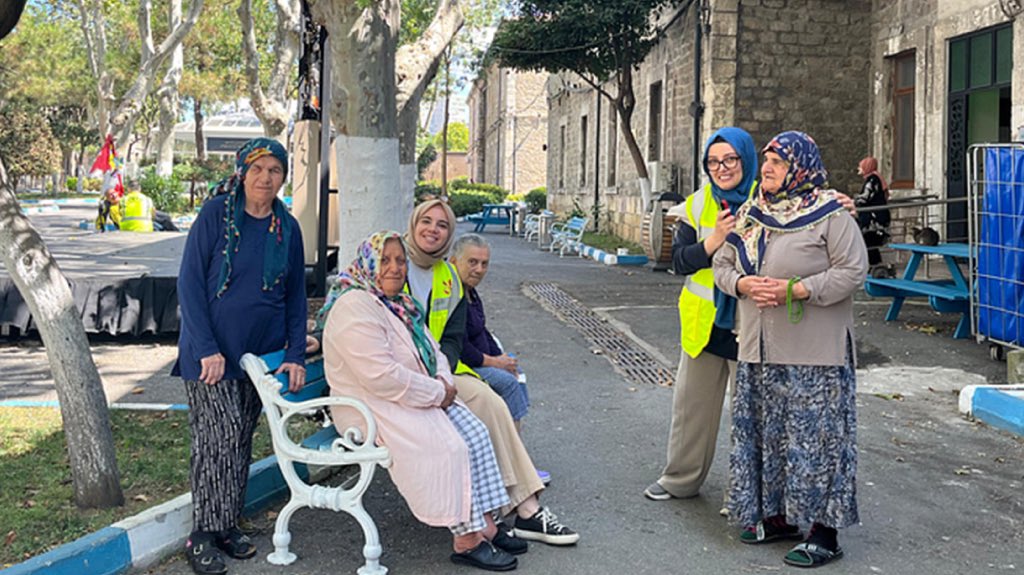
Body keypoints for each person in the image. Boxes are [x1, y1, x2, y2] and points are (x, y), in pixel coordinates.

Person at [713, 131, 867, 568]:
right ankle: (778, 516)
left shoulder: (830, 214)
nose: (768, 170)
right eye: (767, 162)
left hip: (815, 352)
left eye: (778, 163)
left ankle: (824, 531)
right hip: (760, 348)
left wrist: (796, 290)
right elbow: (722, 265)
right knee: (769, 435)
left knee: (817, 440)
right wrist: (741, 283)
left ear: (800, 167)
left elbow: (853, 271)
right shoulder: (752, 213)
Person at [321, 231, 520, 571]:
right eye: (385, 260)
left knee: (474, 432)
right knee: (450, 446)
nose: (396, 268)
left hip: (409, 396)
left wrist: (443, 380)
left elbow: (434, 350)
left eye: (400, 261)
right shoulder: (354, 306)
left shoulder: (399, 304)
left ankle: (485, 519)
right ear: (368, 263)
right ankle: (467, 537)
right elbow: (381, 377)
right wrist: (437, 393)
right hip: (369, 407)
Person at [402, 198, 578, 546]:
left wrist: (441, 369)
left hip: (442, 373)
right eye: (427, 221)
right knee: (490, 397)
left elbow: (453, 336)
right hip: (402, 377)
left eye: (442, 225)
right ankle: (506, 510)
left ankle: (527, 510)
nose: (433, 230)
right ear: (413, 223)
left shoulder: (446, 275)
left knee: (492, 402)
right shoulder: (393, 261)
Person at [173, 138, 307, 575]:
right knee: (218, 438)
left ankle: (226, 523)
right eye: (258, 169)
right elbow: (190, 284)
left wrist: (293, 355)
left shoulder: (287, 228)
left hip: (260, 357)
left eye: (274, 170)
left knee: (240, 439)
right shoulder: (216, 215)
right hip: (210, 353)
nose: (266, 178)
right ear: (242, 173)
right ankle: (203, 535)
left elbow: (295, 298)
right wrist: (207, 349)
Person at [644, 127, 757, 503]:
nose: (722, 168)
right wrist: (712, 242)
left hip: (751, 325)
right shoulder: (696, 203)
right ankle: (680, 479)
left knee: (751, 417)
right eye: (713, 161)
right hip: (705, 325)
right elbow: (678, 262)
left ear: (745, 159)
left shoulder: (768, 199)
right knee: (692, 409)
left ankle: (743, 494)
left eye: (730, 159)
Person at [449, 233, 530, 428]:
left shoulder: (470, 291)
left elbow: (482, 330)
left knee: (515, 370)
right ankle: (513, 448)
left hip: (482, 359)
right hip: (464, 366)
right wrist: (495, 362)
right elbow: (462, 347)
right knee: (509, 383)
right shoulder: (452, 293)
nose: (479, 270)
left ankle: (513, 435)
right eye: (472, 262)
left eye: (484, 264)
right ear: (453, 261)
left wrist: (502, 357)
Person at [854, 156, 891, 271]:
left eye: (861, 166)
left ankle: (875, 266)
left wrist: (852, 200)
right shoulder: (875, 178)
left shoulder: (872, 179)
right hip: (876, 219)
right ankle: (875, 266)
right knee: (869, 243)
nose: (859, 168)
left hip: (874, 220)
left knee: (868, 242)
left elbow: (866, 197)